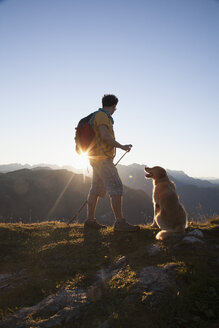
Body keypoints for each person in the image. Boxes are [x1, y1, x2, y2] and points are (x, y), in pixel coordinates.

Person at [84, 94, 140, 232]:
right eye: (115, 107)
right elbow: (105, 136)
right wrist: (122, 146)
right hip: (102, 159)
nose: (115, 109)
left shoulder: (97, 116)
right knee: (116, 187)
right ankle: (120, 223)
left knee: (96, 189)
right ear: (114, 105)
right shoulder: (102, 116)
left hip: (95, 158)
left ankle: (90, 221)